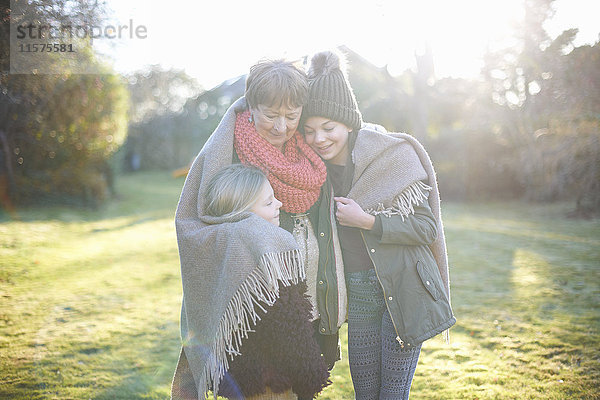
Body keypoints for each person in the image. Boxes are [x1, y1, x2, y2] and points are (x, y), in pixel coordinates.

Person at [172, 59, 346, 399]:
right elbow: (195, 224)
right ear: (252, 107)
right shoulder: (228, 150)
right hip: (252, 308)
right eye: (271, 115)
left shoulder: (309, 150)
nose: (282, 127)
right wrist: (257, 234)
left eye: (292, 115)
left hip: (303, 300)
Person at [300, 50, 456, 400]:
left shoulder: (390, 157)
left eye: (328, 128)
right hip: (358, 292)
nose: (319, 139)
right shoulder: (312, 174)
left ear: (348, 123)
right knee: (366, 392)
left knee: (392, 394)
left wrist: (367, 221)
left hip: (403, 288)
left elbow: (426, 227)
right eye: (309, 131)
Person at [172, 164, 329, 400]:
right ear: (242, 213)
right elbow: (290, 326)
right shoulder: (270, 248)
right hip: (274, 382)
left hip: (236, 378)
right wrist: (311, 375)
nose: (279, 205)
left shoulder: (216, 246)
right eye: (268, 202)